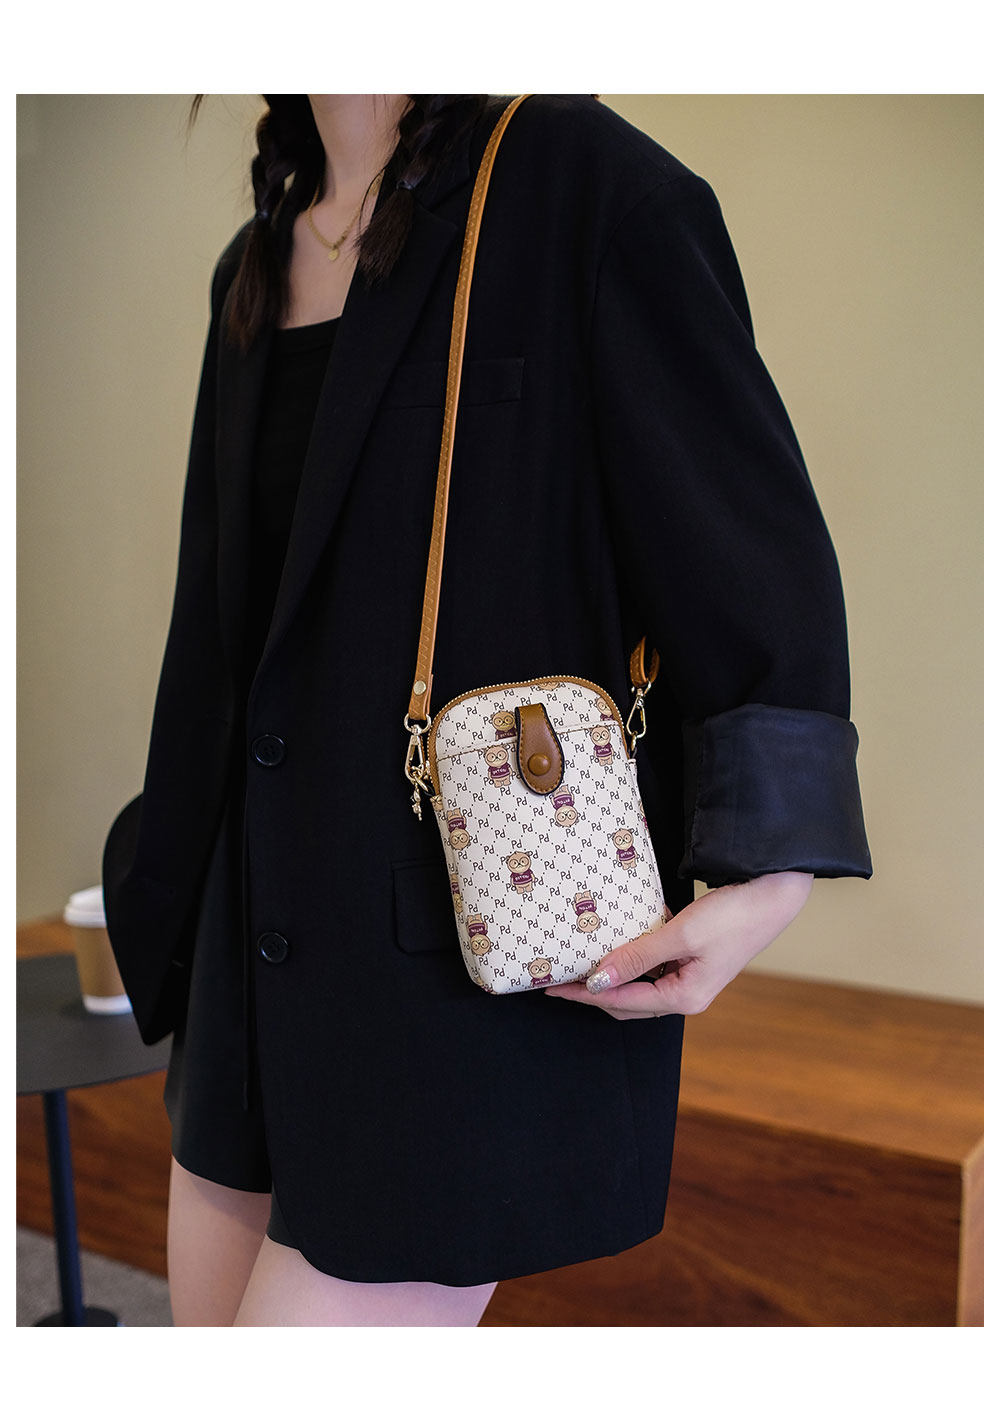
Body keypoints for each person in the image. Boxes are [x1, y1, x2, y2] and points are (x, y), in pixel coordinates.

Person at [102, 93, 872, 1327]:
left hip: (459, 965)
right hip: (254, 964)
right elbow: (227, 632)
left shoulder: (584, 188)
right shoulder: (258, 257)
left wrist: (770, 871)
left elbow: (746, 544)